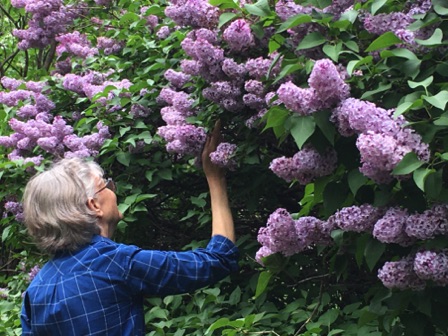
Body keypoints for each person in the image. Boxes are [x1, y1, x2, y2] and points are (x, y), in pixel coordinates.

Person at [20, 122, 238, 335]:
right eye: (107, 185)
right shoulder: (114, 262)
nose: (114, 191)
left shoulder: (36, 289)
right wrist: (215, 177)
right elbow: (218, 259)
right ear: (93, 206)